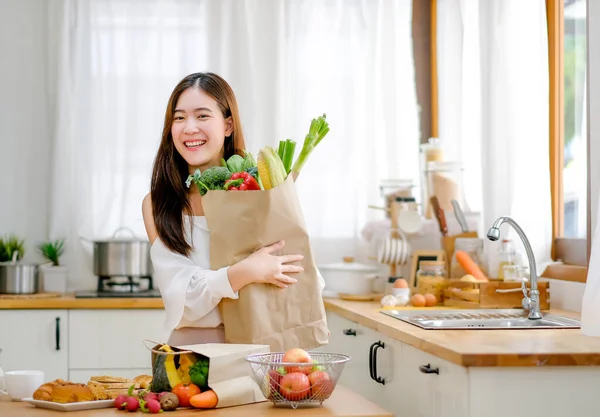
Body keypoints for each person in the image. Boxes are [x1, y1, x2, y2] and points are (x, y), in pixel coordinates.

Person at [142, 72, 305, 345]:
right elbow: (184, 297)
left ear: (228, 125)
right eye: (179, 118)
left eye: (202, 116)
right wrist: (247, 271)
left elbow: (298, 274)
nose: (189, 128)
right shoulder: (159, 204)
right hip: (192, 355)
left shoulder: (261, 192)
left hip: (262, 348)